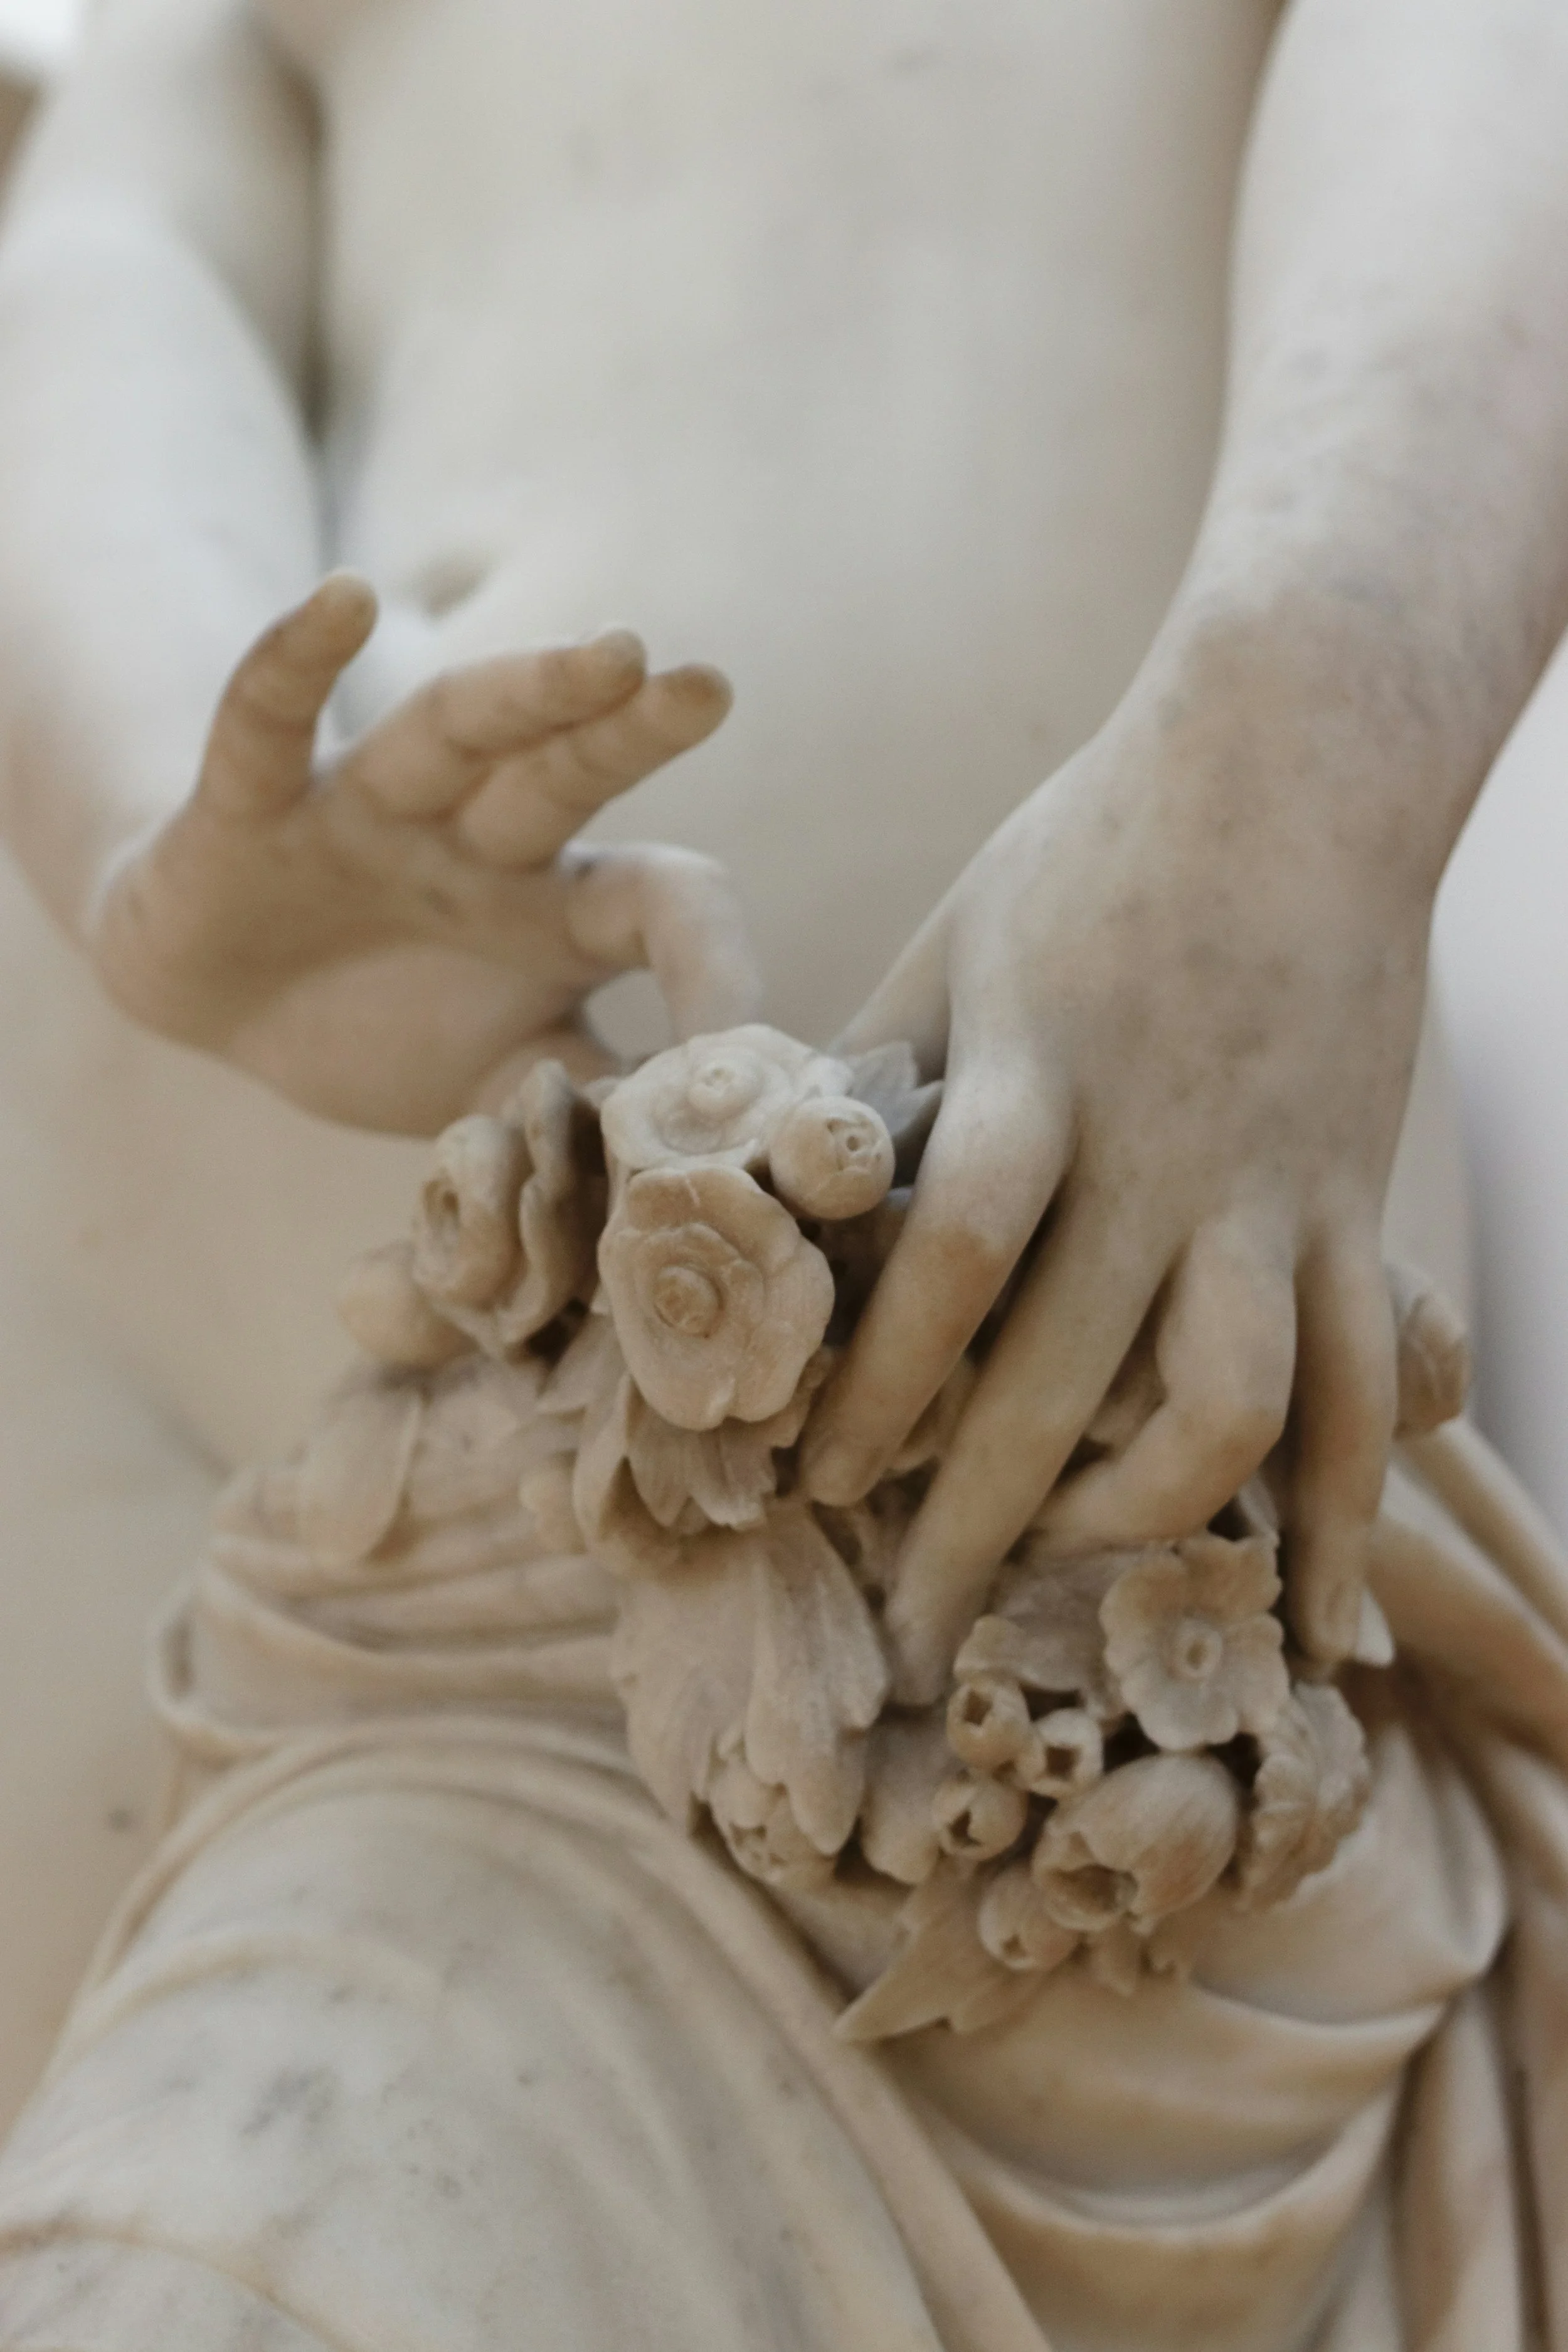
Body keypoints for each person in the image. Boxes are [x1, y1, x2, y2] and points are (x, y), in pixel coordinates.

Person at [0, 0, 1565, 2191]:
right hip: (215, 1421)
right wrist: (155, 818)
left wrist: (1305, 736)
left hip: (1016, 1406)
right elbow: (99, 286)